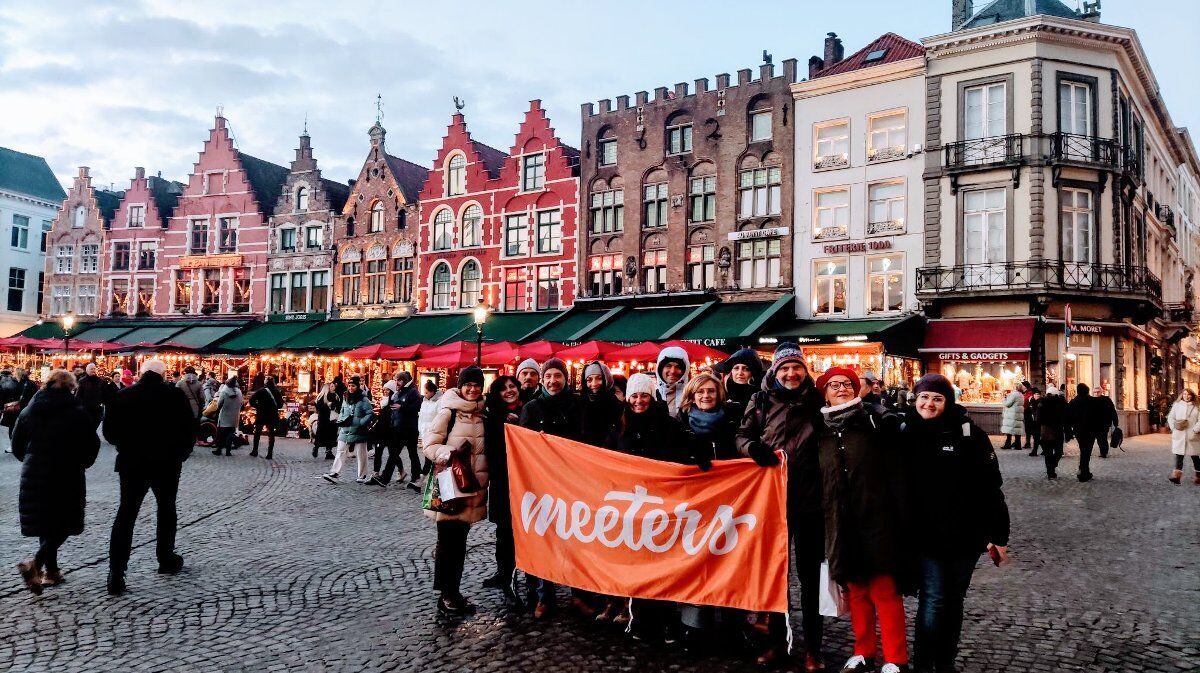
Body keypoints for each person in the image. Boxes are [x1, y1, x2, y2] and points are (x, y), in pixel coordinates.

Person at [902, 374, 1009, 673]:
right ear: (915, 398)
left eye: (937, 398)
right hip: (925, 536)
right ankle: (924, 663)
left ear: (947, 402)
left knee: (954, 600)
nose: (929, 403)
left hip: (965, 536)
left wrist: (998, 535)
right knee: (934, 598)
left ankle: (945, 660)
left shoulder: (969, 434)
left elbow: (991, 486)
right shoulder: (903, 430)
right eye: (924, 397)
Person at [814, 367, 912, 673]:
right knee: (856, 591)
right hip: (841, 522)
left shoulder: (874, 422)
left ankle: (896, 659)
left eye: (847, 384)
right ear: (825, 393)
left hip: (877, 519)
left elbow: (896, 472)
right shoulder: (821, 430)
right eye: (834, 385)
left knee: (884, 590)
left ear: (858, 390)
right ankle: (863, 651)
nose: (841, 389)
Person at [735, 343, 826, 671]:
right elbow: (741, 435)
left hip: (810, 502)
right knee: (774, 575)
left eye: (796, 367)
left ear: (804, 369)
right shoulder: (760, 401)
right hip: (771, 502)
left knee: (810, 578)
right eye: (784, 368)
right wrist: (751, 447)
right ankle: (776, 642)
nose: (791, 373)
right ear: (775, 371)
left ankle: (814, 648)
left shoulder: (818, 400)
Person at [103, 358, 196, 595]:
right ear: (163, 375)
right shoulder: (175, 397)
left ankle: (116, 571)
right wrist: (181, 454)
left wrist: (126, 446)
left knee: (126, 514)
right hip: (167, 463)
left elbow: (110, 433)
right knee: (166, 509)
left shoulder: (123, 396)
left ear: (141, 373)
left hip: (132, 463)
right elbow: (189, 430)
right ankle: (165, 558)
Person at [605, 372, 684, 643]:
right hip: (631, 507)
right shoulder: (619, 426)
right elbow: (605, 458)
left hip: (662, 506)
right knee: (637, 564)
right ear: (628, 399)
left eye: (644, 395)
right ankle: (641, 619)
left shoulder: (669, 425)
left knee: (663, 565)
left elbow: (680, 455)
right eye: (634, 396)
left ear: (652, 397)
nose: (639, 401)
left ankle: (667, 621)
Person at [12, 369, 101, 594]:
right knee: (65, 520)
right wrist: (84, 462)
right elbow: (92, 442)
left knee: (46, 520)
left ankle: (51, 571)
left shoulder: (31, 408)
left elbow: (17, 441)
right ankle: (37, 564)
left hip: (36, 470)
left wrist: (30, 459)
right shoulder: (75, 411)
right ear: (71, 387)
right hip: (67, 470)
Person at [675, 372, 743, 652]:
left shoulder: (730, 421)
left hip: (729, 503)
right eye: (700, 392)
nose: (705, 396)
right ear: (692, 395)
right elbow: (671, 458)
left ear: (719, 396)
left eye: (711, 392)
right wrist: (690, 457)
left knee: (729, 561)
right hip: (695, 505)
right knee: (697, 562)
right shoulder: (680, 424)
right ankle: (694, 625)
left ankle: (732, 624)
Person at [422, 365, 489, 616]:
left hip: (473, 490)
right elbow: (429, 445)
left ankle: (453, 592)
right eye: (468, 384)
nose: (472, 389)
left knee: (459, 543)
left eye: (477, 385)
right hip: (451, 488)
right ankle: (447, 595)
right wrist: (448, 453)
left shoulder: (484, 414)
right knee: (448, 542)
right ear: (460, 386)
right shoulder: (448, 412)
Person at [518, 357, 582, 618]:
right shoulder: (532, 408)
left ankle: (580, 594)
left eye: (558, 376)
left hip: (573, 481)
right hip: (541, 483)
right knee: (545, 537)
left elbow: (585, 438)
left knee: (577, 538)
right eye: (549, 377)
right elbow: (522, 444)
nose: (553, 381)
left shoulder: (577, 405)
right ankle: (546, 596)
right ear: (543, 380)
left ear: (565, 379)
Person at [482, 375, 524, 607]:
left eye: (512, 386)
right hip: (503, 481)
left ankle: (519, 576)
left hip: (526, 481)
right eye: (504, 388)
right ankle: (504, 574)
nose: (509, 391)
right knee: (504, 531)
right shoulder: (493, 416)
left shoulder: (528, 410)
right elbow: (491, 449)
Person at [373, 370, 423, 488]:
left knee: (412, 454)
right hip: (398, 428)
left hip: (409, 428)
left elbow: (417, 407)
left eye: (399, 380)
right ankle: (385, 478)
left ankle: (416, 476)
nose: (397, 382)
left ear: (404, 380)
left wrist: (402, 407)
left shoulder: (413, 392)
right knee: (394, 454)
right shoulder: (399, 392)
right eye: (396, 380)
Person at [322, 376, 374, 484]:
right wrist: (341, 420)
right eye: (349, 385)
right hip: (345, 429)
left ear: (357, 386)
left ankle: (362, 475)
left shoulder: (363, 399)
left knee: (361, 453)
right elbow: (342, 410)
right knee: (340, 450)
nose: (351, 388)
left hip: (359, 429)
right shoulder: (345, 397)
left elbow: (370, 413)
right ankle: (334, 473)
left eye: (353, 386)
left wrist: (360, 422)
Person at [1066, 383, 1116, 482]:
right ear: (1088, 391)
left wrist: (1070, 429)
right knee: (1086, 451)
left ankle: (1084, 470)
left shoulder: (1073, 402)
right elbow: (1101, 414)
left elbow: (1068, 417)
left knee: (1083, 449)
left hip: (1079, 431)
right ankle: (1084, 471)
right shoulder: (1093, 401)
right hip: (1091, 430)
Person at [579, 360, 622, 447]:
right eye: (589, 380)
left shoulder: (617, 405)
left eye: (599, 378)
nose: (594, 384)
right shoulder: (579, 403)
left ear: (607, 379)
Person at [716, 347, 764, 419]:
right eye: (736, 368)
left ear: (753, 372)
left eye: (746, 369)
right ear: (731, 371)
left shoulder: (761, 395)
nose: (740, 373)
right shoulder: (721, 394)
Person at [1166, 389, 1200, 485]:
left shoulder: (1197, 406)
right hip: (1179, 435)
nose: (1186, 396)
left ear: (1192, 396)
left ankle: (1199, 476)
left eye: (1188, 394)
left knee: (1195, 457)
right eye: (1184, 394)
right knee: (1179, 456)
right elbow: (1170, 417)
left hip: (1192, 435)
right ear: (1182, 395)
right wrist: (1173, 428)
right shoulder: (1177, 405)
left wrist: (1195, 430)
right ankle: (1176, 477)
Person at [2, 368, 38, 453]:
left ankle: (13, 446)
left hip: (17, 409)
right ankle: (25, 445)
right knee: (24, 428)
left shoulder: (16, 384)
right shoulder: (31, 383)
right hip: (27, 409)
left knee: (13, 428)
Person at [1036, 386, 1068, 479]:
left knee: (1049, 453)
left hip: (1047, 431)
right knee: (1056, 452)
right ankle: (1051, 469)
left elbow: (1038, 419)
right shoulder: (1060, 403)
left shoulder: (1043, 403)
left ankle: (1050, 470)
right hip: (1055, 430)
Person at [248, 376, 284, 459]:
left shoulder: (261, 391)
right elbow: (280, 405)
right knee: (271, 433)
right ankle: (269, 453)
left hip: (261, 414)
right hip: (272, 415)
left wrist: (258, 406)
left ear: (266, 383)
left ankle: (255, 450)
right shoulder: (277, 392)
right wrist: (274, 407)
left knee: (257, 432)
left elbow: (251, 400)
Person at [76, 363, 118, 429]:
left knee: (95, 425)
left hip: (98, 408)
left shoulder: (100, 381)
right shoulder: (82, 381)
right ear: (87, 370)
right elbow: (78, 395)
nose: (93, 370)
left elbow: (105, 394)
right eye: (91, 369)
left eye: (94, 369)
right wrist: (80, 407)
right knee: (89, 427)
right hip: (86, 408)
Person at [654, 346, 690, 418]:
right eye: (668, 366)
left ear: (685, 371)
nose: (673, 371)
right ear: (660, 369)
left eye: (678, 367)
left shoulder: (692, 396)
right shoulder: (652, 396)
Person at [212, 377, 244, 456]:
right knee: (230, 433)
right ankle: (228, 451)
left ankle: (219, 449)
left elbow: (219, 404)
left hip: (225, 415)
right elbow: (242, 403)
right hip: (234, 416)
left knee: (221, 434)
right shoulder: (239, 392)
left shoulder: (224, 392)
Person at [312, 382, 341, 460]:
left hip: (330, 419)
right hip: (325, 419)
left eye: (333, 386)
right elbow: (319, 407)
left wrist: (334, 406)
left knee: (330, 435)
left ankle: (328, 451)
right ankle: (318, 448)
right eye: (331, 386)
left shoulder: (335, 396)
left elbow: (338, 406)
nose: (333, 388)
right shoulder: (323, 397)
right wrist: (328, 406)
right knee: (323, 434)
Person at [1093, 387, 1119, 459]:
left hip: (1104, 423)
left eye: (1098, 392)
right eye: (1095, 392)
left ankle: (1104, 452)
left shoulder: (1107, 400)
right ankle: (1103, 451)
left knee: (1103, 438)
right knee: (1099, 438)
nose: (1096, 393)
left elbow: (1113, 411)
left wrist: (1115, 422)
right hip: (1095, 424)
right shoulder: (1092, 400)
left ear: (1101, 392)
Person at [1025, 387, 1042, 456]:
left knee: (1037, 437)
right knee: (1036, 437)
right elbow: (1028, 412)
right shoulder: (1031, 402)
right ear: (1033, 395)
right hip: (1033, 422)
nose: (1037, 395)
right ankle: (1040, 450)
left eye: (1038, 394)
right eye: (1036, 394)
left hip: (1039, 422)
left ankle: (1035, 451)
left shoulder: (1041, 403)